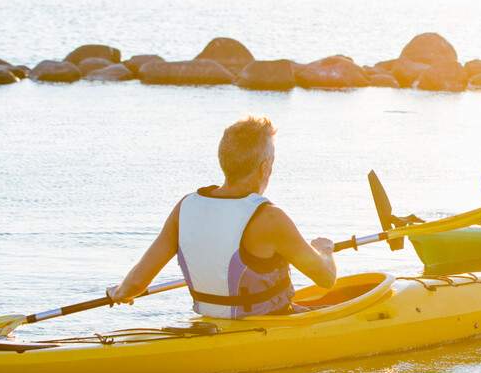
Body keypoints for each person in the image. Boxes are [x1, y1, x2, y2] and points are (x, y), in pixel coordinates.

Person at [108, 116, 337, 319]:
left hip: (211, 324)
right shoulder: (270, 218)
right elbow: (326, 279)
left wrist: (120, 292)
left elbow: (136, 283)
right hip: (268, 325)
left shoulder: (185, 207)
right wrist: (325, 250)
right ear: (265, 167)